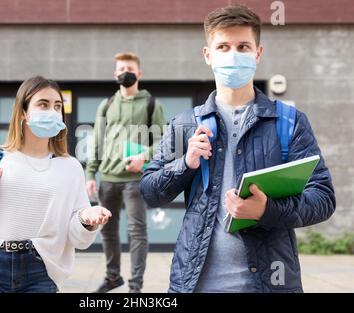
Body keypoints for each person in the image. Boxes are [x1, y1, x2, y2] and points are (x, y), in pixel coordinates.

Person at [140, 5, 336, 293]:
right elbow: (149, 192)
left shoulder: (289, 122)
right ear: (208, 55)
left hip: (270, 284)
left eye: (243, 46)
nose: (233, 54)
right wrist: (186, 163)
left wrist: (267, 210)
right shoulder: (184, 124)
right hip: (194, 284)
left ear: (257, 53)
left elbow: (322, 199)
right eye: (223, 46)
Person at [0, 76, 112, 293]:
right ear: (24, 112)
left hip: (42, 270)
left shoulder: (70, 168)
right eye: (43, 104)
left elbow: (77, 239)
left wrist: (86, 220)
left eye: (57, 106)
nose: (52, 112)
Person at [85, 52, 166, 293]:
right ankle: (113, 278)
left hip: (135, 180)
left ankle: (136, 285)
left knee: (136, 232)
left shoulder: (152, 104)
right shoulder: (106, 104)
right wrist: (90, 173)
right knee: (108, 232)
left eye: (129, 68)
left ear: (139, 73)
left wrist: (144, 156)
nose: (125, 73)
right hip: (107, 179)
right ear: (115, 74)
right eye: (121, 69)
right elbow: (97, 140)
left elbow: (164, 142)